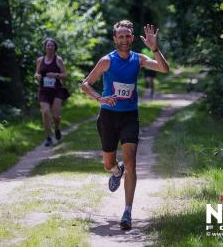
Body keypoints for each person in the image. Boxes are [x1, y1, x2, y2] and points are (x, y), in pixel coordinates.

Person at [81, 20, 169, 230]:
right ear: (114, 39)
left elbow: (164, 69)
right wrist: (99, 99)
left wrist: (155, 49)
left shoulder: (138, 59)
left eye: (128, 36)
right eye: (120, 36)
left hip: (130, 116)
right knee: (108, 163)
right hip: (108, 117)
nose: (124, 39)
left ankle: (127, 211)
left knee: (131, 162)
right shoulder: (106, 61)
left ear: (132, 37)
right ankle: (115, 171)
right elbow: (85, 84)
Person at [35, 38, 68, 147]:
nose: (49, 47)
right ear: (45, 47)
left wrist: (56, 75)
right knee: (45, 112)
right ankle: (49, 137)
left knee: (56, 117)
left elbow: (65, 75)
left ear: (55, 48)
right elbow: (37, 74)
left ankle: (57, 128)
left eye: (51, 45)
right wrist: (37, 76)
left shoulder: (58, 60)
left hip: (57, 91)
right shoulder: (40, 60)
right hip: (44, 90)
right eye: (48, 45)